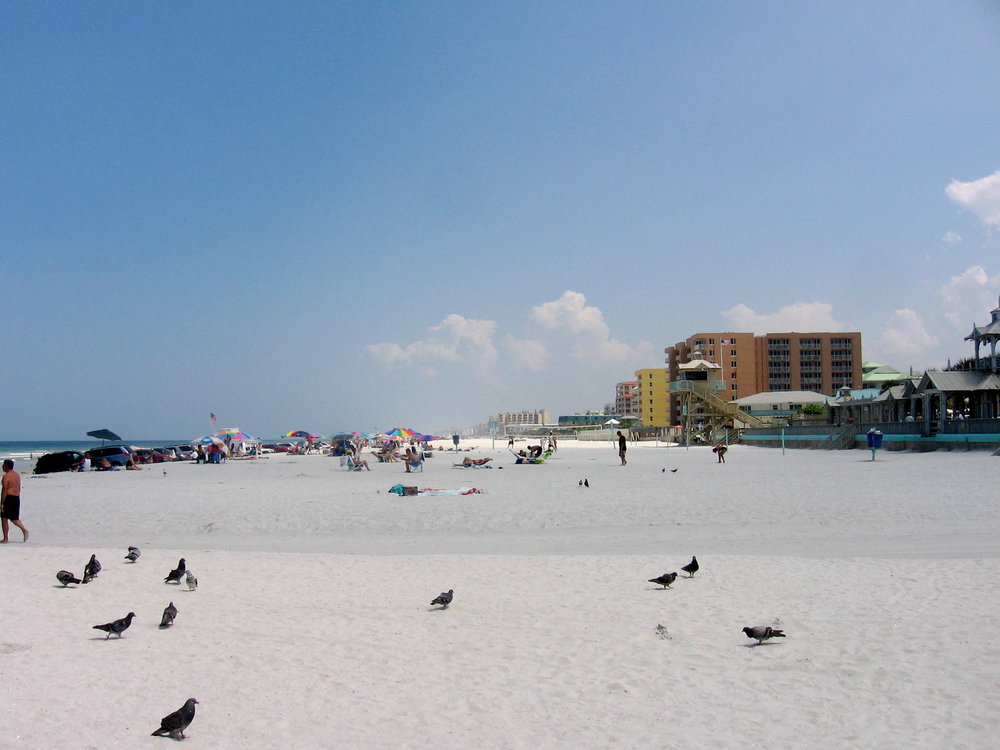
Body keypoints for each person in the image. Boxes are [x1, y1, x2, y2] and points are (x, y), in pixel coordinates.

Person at [1, 459, 29, 543]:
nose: (2, 467)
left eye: (3, 465)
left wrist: (2, 503)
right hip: (16, 498)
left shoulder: (6, 476)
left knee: (4, 518)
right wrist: (18, 496)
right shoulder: (17, 475)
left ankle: (6, 539)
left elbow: (4, 490)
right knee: (14, 518)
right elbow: (19, 487)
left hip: (8, 498)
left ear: (6, 466)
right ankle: (24, 530)